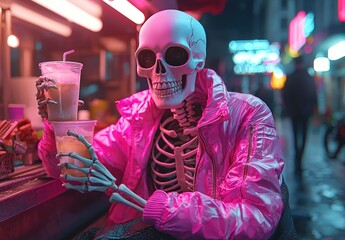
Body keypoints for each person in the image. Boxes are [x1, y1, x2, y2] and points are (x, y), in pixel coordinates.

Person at [36, 10, 295, 239]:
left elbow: (256, 217)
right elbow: (71, 168)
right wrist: (56, 120)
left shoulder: (247, 115)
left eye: (175, 55)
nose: (159, 71)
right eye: (148, 59)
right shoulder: (138, 119)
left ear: (198, 60)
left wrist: (163, 209)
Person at [282, 56, 317, 173]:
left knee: (295, 135)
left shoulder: (290, 78)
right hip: (306, 112)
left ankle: (297, 159)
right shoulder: (308, 77)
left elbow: (285, 95)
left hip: (294, 112)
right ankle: (300, 158)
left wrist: (288, 109)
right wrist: (314, 109)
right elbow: (314, 94)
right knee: (304, 135)